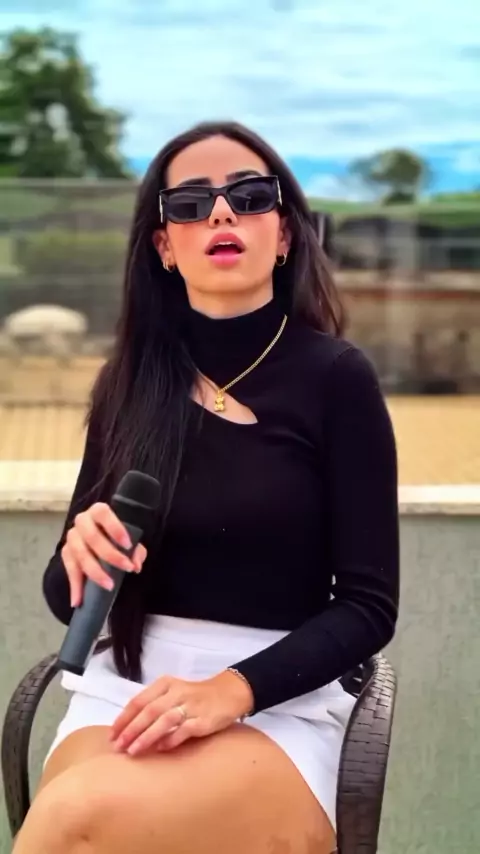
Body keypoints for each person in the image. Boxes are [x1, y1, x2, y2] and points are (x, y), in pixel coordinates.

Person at [12, 121, 399, 854]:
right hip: (126, 686)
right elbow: (68, 603)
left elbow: (368, 607)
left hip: (276, 695)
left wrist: (230, 691)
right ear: (164, 245)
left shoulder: (337, 380)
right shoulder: (128, 383)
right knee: (74, 817)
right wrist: (79, 557)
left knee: (72, 820)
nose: (222, 213)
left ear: (284, 234)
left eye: (249, 196)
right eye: (190, 204)